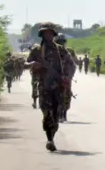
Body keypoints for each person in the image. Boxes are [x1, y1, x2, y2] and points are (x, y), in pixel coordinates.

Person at [25, 22, 77, 151]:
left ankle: (52, 135)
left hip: (58, 87)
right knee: (47, 114)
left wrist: (68, 78)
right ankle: (50, 139)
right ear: (41, 34)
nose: (47, 35)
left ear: (53, 34)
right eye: (45, 33)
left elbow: (72, 64)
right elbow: (25, 64)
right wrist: (33, 64)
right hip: (44, 87)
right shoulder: (37, 50)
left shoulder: (60, 49)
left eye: (50, 32)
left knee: (56, 114)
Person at [55, 33, 78, 122]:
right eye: (59, 42)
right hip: (55, 77)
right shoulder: (52, 52)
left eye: (62, 42)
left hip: (66, 77)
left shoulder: (68, 52)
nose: (61, 43)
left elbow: (74, 64)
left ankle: (64, 113)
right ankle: (58, 113)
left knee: (67, 95)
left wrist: (69, 76)